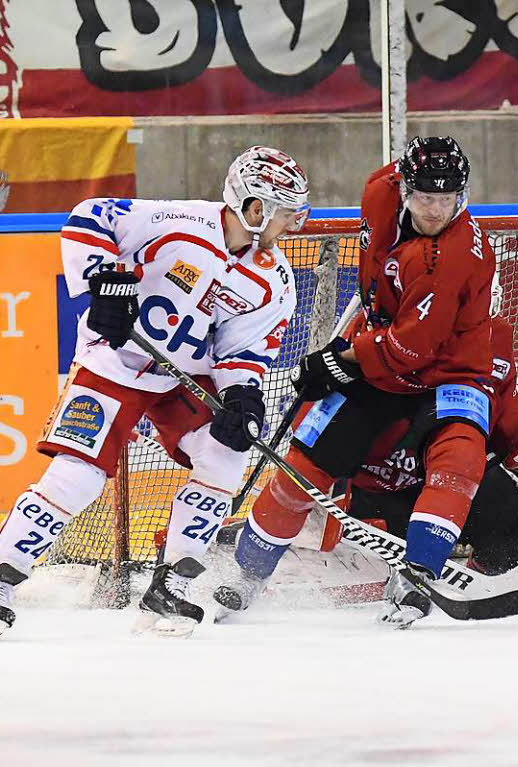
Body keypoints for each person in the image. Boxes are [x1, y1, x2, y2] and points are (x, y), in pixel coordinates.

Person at [0, 146, 309, 638]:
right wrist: (103, 282)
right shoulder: (176, 221)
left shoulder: (274, 280)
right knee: (79, 477)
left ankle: (172, 586)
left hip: (177, 377)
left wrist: (242, 397)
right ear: (255, 208)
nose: (293, 222)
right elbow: (89, 219)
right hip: (114, 364)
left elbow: (244, 351)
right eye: (283, 210)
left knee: (226, 454)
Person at [213, 136, 498, 629]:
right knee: (304, 465)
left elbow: (415, 347)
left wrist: (341, 359)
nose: (436, 210)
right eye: (426, 197)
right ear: (404, 186)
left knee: (460, 459)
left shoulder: (454, 256)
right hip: (378, 354)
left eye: (448, 199)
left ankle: (416, 574)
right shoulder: (378, 190)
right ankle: (248, 574)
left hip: (449, 371)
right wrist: (355, 337)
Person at [292, 278, 518, 581]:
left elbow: (503, 426)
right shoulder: (383, 336)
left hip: (445, 477)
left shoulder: (493, 338)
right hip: (377, 488)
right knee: (366, 540)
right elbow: (314, 425)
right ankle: (358, 549)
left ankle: (483, 574)